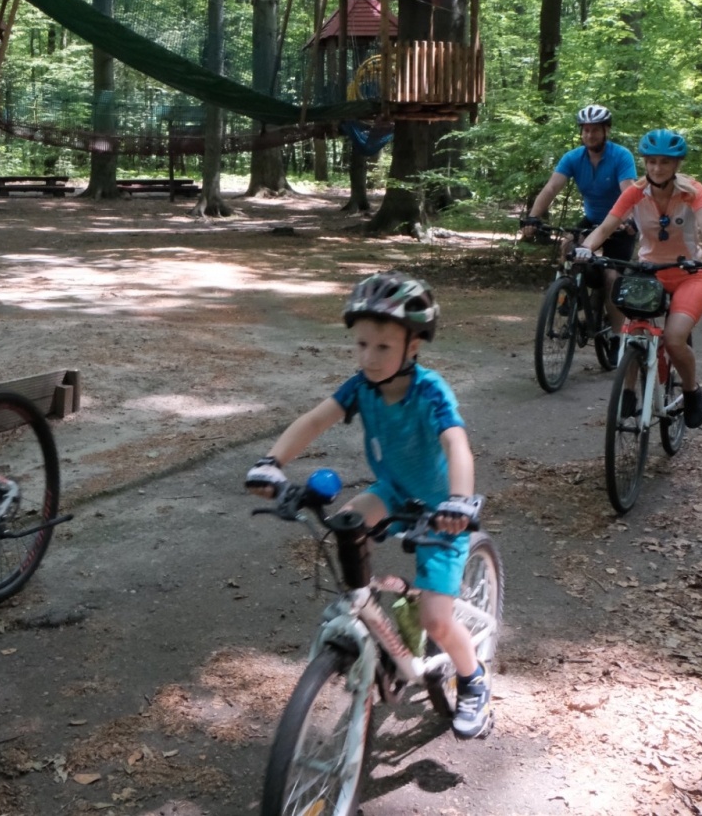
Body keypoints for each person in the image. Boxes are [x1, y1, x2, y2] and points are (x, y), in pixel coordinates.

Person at [243, 272, 492, 740]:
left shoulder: (430, 390)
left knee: (437, 620)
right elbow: (316, 419)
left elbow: (457, 443)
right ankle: (372, 612)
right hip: (393, 490)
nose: (368, 358)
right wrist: (271, 463)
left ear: (412, 347)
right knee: (344, 523)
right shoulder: (360, 387)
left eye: (382, 348)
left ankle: (472, 679)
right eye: (361, 345)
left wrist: (460, 501)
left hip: (441, 508)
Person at [574, 130, 702, 429]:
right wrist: (585, 248)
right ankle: (629, 390)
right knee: (632, 332)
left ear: (677, 165)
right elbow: (606, 226)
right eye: (652, 162)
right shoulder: (634, 191)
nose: (657, 168)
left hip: (688, 275)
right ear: (645, 162)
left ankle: (691, 392)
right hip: (648, 274)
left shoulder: (693, 191)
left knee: (672, 339)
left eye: (665, 163)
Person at [519, 105, 638, 330]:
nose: (589, 135)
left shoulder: (621, 156)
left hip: (620, 223)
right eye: (585, 130)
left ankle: (616, 336)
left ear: (606, 131)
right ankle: (573, 292)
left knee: (612, 277)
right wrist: (532, 217)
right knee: (568, 246)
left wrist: (629, 220)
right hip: (592, 220)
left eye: (595, 130)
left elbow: (629, 192)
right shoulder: (573, 157)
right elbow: (552, 188)